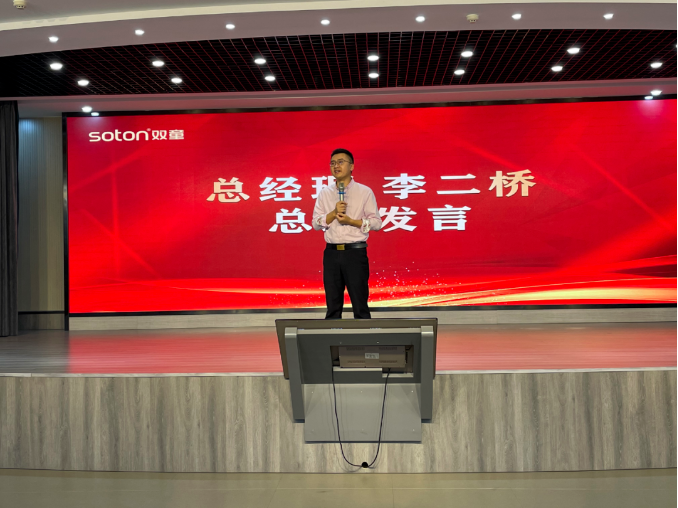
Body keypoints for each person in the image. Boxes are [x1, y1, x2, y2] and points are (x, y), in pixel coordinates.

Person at [312, 148, 382, 319]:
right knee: (332, 305)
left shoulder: (364, 192)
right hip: (331, 253)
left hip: (355, 253)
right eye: (332, 163)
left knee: (360, 304)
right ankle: (331, 335)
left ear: (351, 166)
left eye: (340, 162)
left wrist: (351, 221)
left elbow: (376, 223)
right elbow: (315, 223)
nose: (336, 166)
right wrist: (333, 213)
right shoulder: (325, 193)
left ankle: (364, 335)